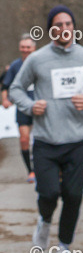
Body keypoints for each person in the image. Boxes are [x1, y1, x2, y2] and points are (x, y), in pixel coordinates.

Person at [10, 5, 83, 253]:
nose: (64, 29)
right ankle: (44, 221)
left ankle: (64, 247)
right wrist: (31, 106)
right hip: (45, 140)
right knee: (50, 192)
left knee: (74, 195)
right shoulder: (37, 59)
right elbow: (16, 89)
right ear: (50, 29)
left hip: (76, 141)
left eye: (68, 24)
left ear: (73, 27)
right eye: (58, 25)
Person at [1, 34, 38, 182]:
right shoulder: (15, 66)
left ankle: (45, 168)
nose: (25, 50)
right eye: (23, 47)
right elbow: (5, 86)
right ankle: (31, 171)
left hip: (41, 107)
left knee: (44, 139)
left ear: (34, 48)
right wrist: (5, 99)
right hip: (22, 108)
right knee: (24, 139)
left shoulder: (41, 62)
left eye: (28, 47)